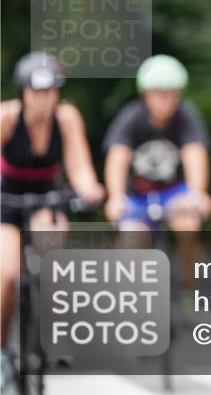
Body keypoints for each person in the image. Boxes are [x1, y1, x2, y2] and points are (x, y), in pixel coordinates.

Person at [1, 52, 105, 389]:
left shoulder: (67, 118)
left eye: (50, 92)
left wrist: (90, 189)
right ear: (23, 92)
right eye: (36, 92)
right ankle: (1, 352)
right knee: (6, 275)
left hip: (46, 198)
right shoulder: (6, 118)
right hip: (6, 203)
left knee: (54, 257)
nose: (43, 100)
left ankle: (55, 334)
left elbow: (78, 165)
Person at [103, 55, 211, 294]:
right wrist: (115, 196)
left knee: (188, 225)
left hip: (175, 192)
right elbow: (117, 160)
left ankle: (189, 287)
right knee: (131, 240)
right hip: (138, 196)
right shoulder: (131, 118)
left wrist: (198, 193)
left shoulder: (186, 117)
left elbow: (195, 154)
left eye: (171, 93)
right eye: (158, 93)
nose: (165, 100)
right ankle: (132, 303)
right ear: (146, 94)